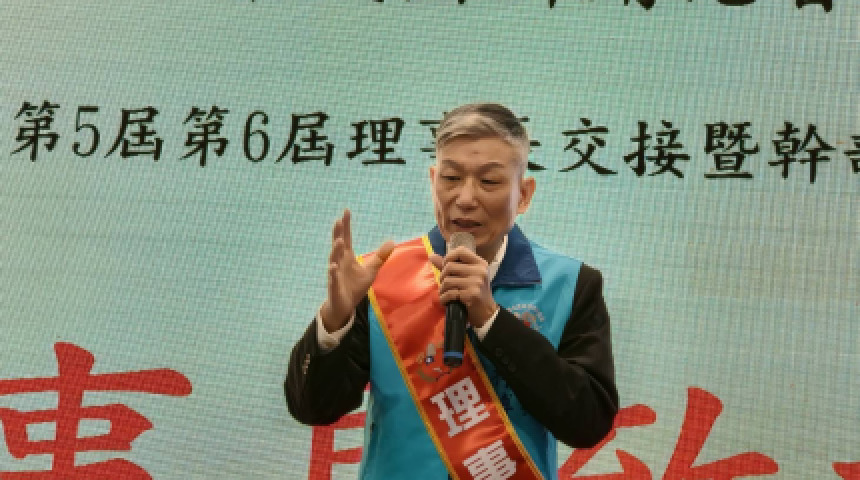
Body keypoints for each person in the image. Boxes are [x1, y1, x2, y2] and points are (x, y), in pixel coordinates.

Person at [286, 103, 618, 479]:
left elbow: (588, 423)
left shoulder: (570, 284)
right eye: (451, 178)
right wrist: (334, 321)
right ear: (433, 181)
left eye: (489, 182)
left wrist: (491, 320)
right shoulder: (381, 278)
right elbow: (311, 408)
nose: (465, 198)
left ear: (524, 194)